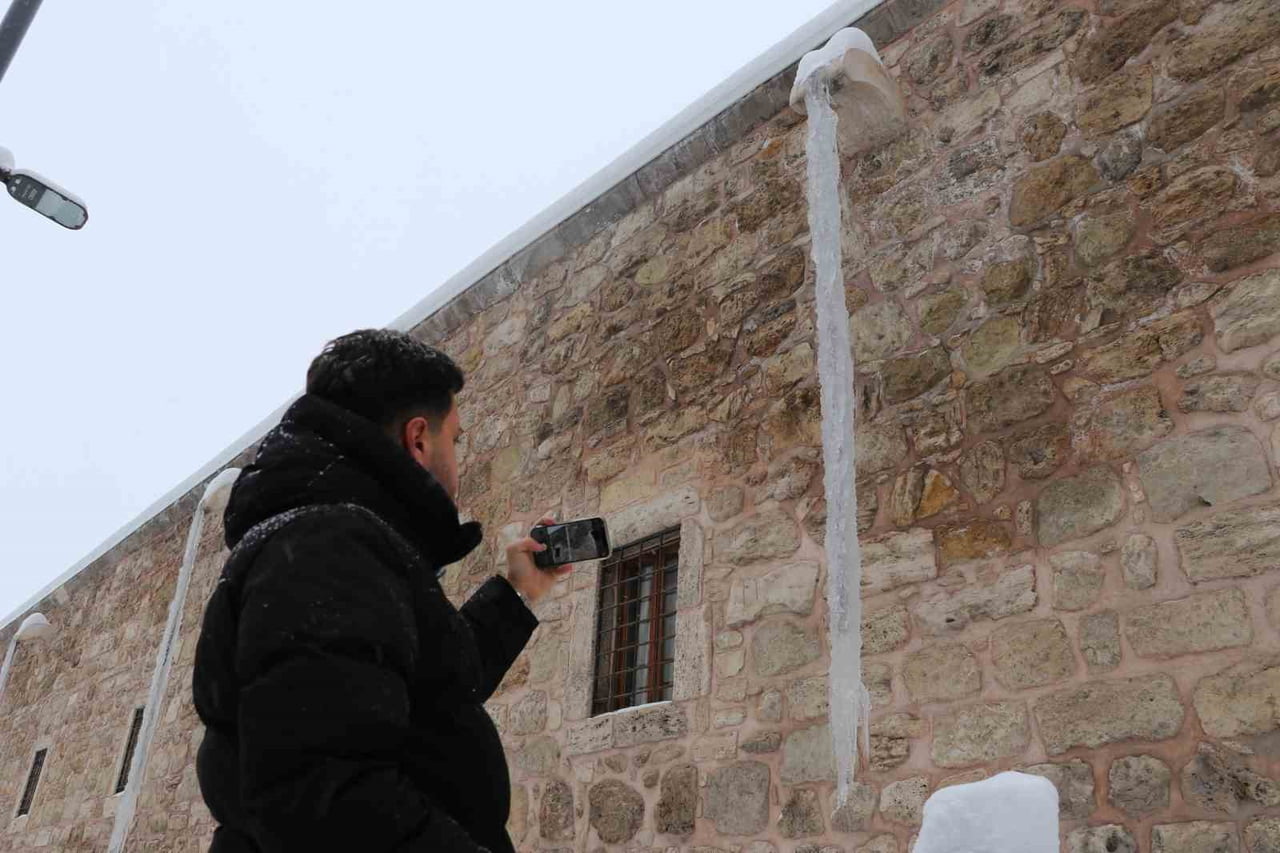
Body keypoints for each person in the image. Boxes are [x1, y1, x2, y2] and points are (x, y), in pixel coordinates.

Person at [192, 329, 567, 853]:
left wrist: (515, 593)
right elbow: (328, 796)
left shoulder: (335, 541)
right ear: (418, 439)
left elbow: (428, 693)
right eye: (454, 440)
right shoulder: (327, 548)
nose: (458, 460)